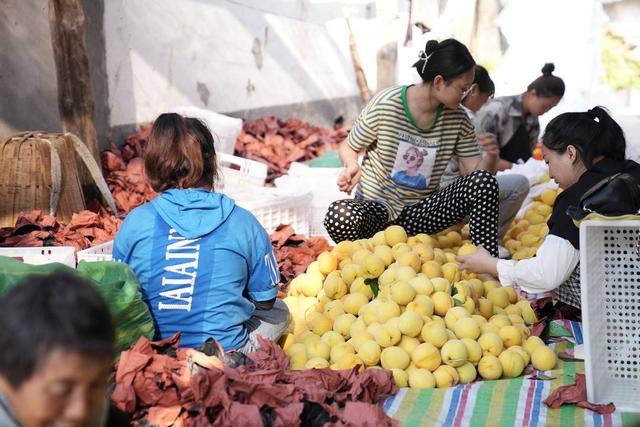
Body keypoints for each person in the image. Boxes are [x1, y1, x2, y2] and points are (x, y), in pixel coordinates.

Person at [113, 113, 289, 354]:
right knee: (280, 311)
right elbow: (266, 300)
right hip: (225, 355)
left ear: (153, 166)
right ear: (213, 165)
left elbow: (121, 295)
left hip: (154, 356)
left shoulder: (135, 223)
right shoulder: (243, 223)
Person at [324, 38, 501, 256]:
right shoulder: (387, 104)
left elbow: (475, 173)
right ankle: (364, 257)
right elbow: (349, 146)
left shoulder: (458, 120)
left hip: (421, 215)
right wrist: (351, 164)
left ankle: (486, 263)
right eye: (463, 88)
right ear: (438, 82)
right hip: (375, 210)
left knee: (485, 183)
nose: (466, 95)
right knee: (339, 215)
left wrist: (491, 155)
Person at [457, 107, 640, 315]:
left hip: (611, 319)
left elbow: (547, 274)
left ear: (570, 153)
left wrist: (492, 264)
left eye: (548, 161)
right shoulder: (632, 172)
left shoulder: (578, 199)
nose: (550, 173)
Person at [0, 272, 117, 427]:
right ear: (5, 380)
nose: (80, 412)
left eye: (96, 386)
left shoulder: (108, 419)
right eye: (61, 391)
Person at [440, 65, 530, 251]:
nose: (483, 108)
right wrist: (492, 156)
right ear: (472, 91)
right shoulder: (467, 119)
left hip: (417, 201)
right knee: (519, 184)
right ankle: (486, 244)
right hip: (445, 202)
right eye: (484, 101)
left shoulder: (433, 110)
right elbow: (476, 177)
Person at [476, 63, 565, 170]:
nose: (546, 111)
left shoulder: (534, 123)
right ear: (533, 93)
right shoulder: (497, 109)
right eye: (545, 106)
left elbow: (529, 158)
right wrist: (517, 169)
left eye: (552, 107)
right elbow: (480, 157)